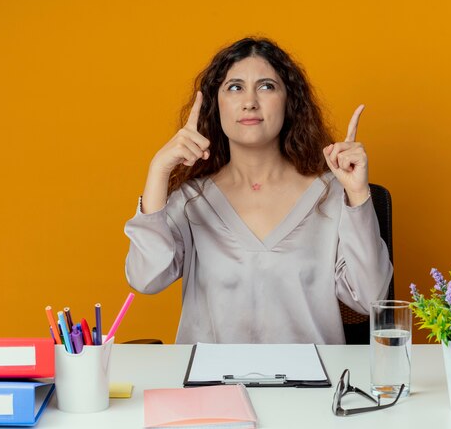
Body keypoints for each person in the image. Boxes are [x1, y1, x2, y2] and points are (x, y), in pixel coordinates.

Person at [124, 37, 392, 344]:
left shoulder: (330, 194)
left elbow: (370, 297)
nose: (249, 101)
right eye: (235, 87)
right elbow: (145, 278)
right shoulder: (191, 200)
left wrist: (357, 195)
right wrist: (158, 171)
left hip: (313, 386)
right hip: (213, 386)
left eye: (266, 86)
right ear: (216, 104)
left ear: (289, 102)